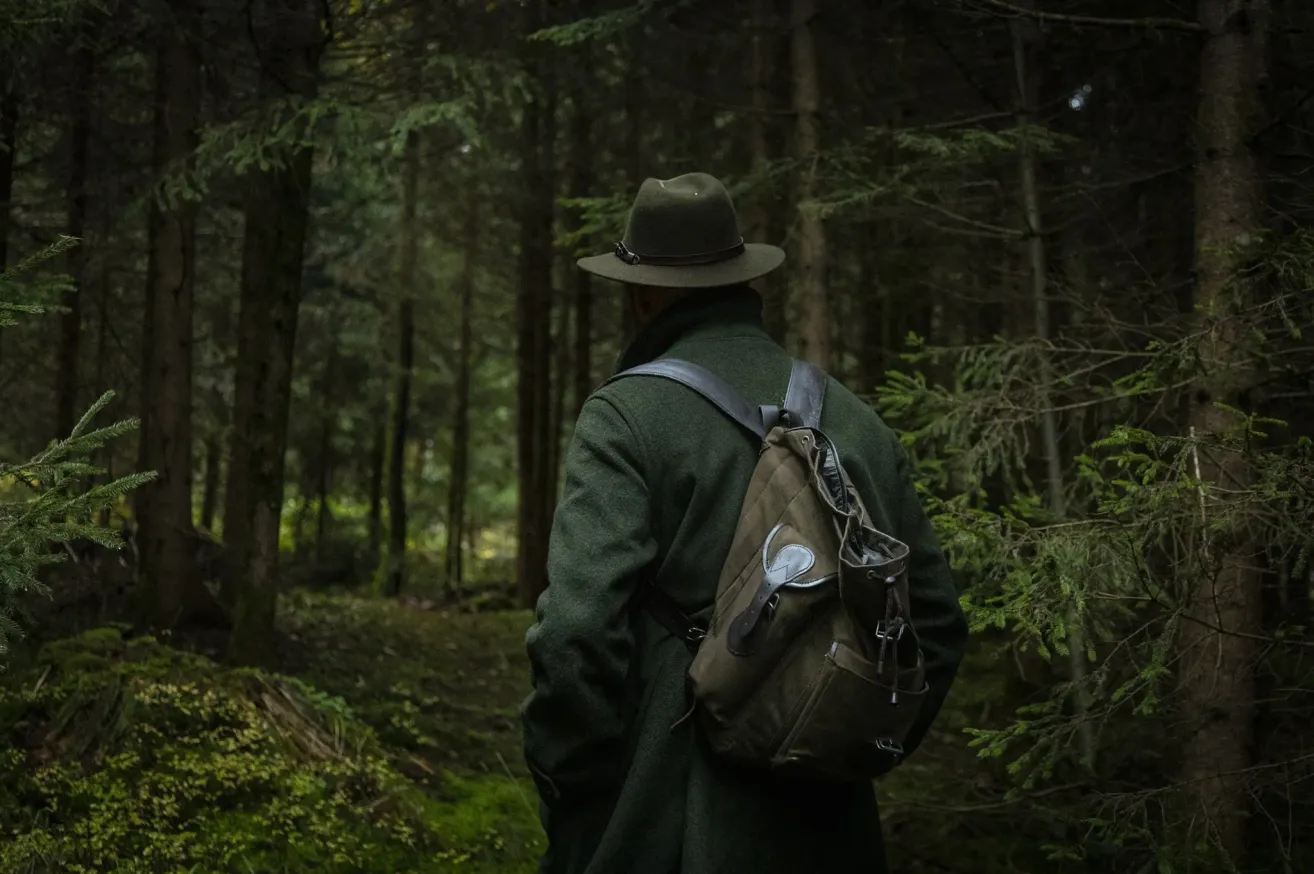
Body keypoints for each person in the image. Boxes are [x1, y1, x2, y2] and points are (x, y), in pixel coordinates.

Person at [521, 172, 968, 874]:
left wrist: (571, 779)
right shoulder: (858, 420)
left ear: (642, 293)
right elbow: (935, 623)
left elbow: (577, 632)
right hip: (831, 826)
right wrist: (851, 741)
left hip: (661, 811)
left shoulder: (626, 415)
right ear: (739, 280)